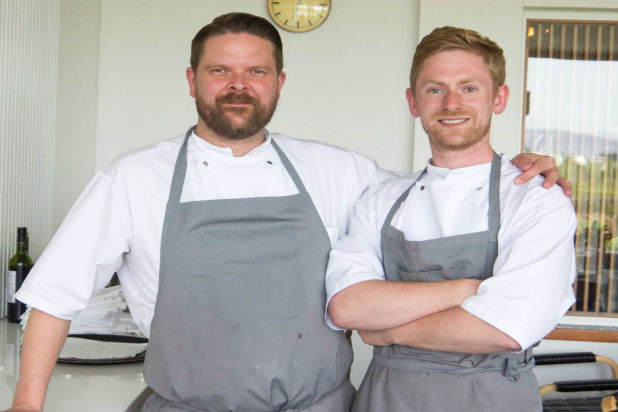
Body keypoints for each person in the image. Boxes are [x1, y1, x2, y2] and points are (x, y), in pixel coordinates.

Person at [9, 14, 564, 412]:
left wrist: (523, 169)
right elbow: (55, 295)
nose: (237, 86)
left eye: (255, 72)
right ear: (191, 80)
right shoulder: (132, 178)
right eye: (220, 71)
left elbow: (446, 183)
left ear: (278, 83)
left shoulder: (338, 171)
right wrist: (27, 403)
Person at [325, 26, 576, 412]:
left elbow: (507, 328)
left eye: (469, 88)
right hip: (387, 398)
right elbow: (347, 308)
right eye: (435, 89)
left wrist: (387, 330)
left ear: (499, 98)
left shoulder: (536, 197)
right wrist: (468, 289)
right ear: (413, 101)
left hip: (492, 398)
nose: (451, 103)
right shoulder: (381, 197)